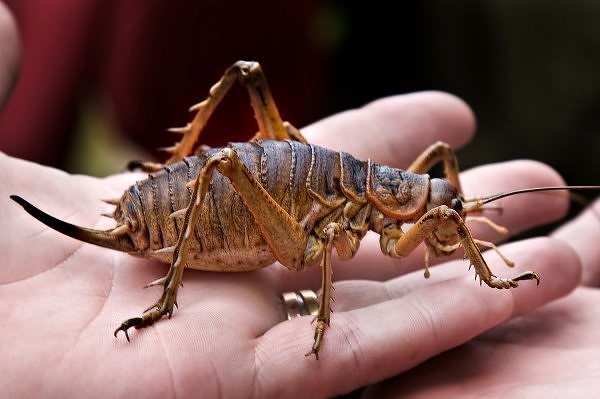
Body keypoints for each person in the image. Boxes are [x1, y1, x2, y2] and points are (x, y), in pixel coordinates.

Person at [1, 5, 599, 398]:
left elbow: (441, 168)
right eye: (446, 210)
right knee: (236, 146)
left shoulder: (394, 191)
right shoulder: (388, 211)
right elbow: (334, 245)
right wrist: (326, 312)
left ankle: (173, 172)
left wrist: (454, 209)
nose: (448, 218)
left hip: (282, 180)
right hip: (220, 202)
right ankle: (164, 301)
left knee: (256, 135)